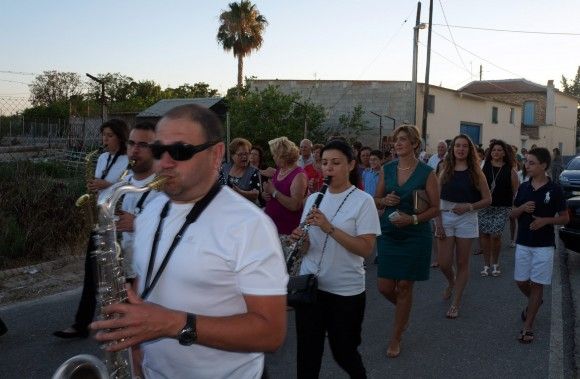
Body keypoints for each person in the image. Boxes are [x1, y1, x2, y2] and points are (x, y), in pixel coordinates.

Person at [91, 104, 288, 378]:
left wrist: (171, 324)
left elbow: (270, 333)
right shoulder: (150, 211)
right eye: (159, 150)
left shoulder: (249, 225)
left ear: (216, 154)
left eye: (181, 151)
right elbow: (147, 279)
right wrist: (134, 334)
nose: (165, 162)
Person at [290, 139, 381, 379]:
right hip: (310, 286)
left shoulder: (363, 201)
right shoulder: (313, 199)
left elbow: (365, 249)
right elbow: (309, 245)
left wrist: (329, 227)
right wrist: (300, 239)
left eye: (336, 163)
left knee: (344, 353)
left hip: (345, 290)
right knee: (307, 355)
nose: (328, 168)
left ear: (351, 165)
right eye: (325, 163)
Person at [54, 119, 129, 339]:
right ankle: (81, 324)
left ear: (120, 137)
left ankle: (126, 319)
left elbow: (129, 186)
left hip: (120, 220)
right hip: (100, 218)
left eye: (109, 136)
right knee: (91, 273)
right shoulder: (102, 157)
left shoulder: (128, 160)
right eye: (103, 135)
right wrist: (94, 187)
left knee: (121, 274)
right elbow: (100, 183)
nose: (104, 140)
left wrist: (106, 185)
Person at [374, 125, 440, 358]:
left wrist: (412, 219)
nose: (397, 143)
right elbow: (376, 200)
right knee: (384, 287)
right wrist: (385, 199)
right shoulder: (387, 169)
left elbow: (435, 208)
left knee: (404, 286)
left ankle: (396, 336)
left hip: (415, 234)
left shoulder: (427, 173)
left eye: (403, 139)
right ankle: (404, 311)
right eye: (395, 140)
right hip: (390, 232)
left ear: (414, 144)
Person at [511, 147, 568, 343]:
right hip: (523, 243)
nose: (526, 165)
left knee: (537, 284)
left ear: (544, 165)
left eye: (531, 162)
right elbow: (512, 213)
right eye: (526, 162)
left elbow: (565, 218)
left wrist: (545, 221)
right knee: (520, 281)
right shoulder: (523, 188)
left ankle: (528, 326)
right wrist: (521, 208)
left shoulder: (555, 190)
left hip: (544, 245)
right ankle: (535, 301)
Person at [436, 134, 491, 319]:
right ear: (452, 149)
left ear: (470, 150)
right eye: (457, 146)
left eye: (465, 146)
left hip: (467, 218)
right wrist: (438, 223)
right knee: (443, 262)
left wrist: (469, 206)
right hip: (445, 216)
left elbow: (487, 199)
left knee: (462, 262)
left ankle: (456, 302)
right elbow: (436, 198)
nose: (460, 149)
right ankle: (451, 282)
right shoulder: (444, 168)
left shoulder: (476, 172)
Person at [116, 122, 164, 279]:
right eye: (131, 144)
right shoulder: (123, 182)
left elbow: (178, 232)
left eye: (143, 145)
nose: (134, 150)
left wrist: (138, 223)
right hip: (125, 269)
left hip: (152, 274)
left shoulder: (166, 187)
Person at [478, 140, 519, 277]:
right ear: (491, 152)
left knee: (496, 235)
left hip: (502, 207)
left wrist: (514, 206)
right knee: (484, 234)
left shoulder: (510, 170)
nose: (496, 152)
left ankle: (495, 263)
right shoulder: (484, 166)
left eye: (499, 150)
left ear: (504, 153)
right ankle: (486, 264)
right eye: (494, 150)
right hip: (485, 206)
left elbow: (515, 190)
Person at [263, 137, 308, 236]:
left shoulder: (299, 175)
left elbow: (295, 205)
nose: (273, 157)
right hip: (272, 229)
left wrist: (273, 192)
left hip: (286, 232)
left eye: (275, 155)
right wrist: (266, 194)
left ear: (283, 155)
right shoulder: (280, 169)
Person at [219, 137, 260, 203]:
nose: (244, 157)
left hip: (245, 210)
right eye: (240, 154)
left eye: (246, 153)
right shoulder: (224, 168)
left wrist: (240, 192)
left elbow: (255, 194)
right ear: (232, 156)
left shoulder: (253, 171)